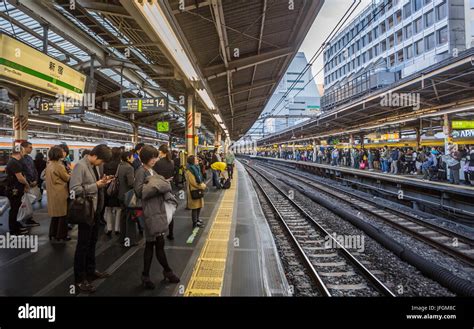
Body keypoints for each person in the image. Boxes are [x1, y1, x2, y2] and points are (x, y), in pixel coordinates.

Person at [134, 145, 179, 289]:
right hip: (149, 212)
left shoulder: (152, 171)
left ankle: (148, 275)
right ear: (145, 158)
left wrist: (162, 184)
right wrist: (159, 185)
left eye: (155, 157)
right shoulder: (141, 171)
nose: (155, 160)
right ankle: (166, 272)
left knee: (155, 244)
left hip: (157, 210)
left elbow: (155, 185)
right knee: (154, 243)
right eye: (152, 157)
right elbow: (139, 191)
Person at [70, 144, 113, 293]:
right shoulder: (80, 166)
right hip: (85, 212)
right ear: (94, 156)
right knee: (82, 246)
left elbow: (95, 184)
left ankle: (90, 271)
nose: (102, 164)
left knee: (92, 243)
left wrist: (103, 182)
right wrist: (95, 185)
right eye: (101, 161)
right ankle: (79, 279)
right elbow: (74, 190)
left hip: (95, 211)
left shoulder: (96, 166)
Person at [45, 146, 71, 242]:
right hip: (60, 192)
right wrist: (70, 173)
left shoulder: (49, 164)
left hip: (52, 192)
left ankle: (52, 233)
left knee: (55, 215)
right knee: (63, 215)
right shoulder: (59, 165)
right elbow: (67, 178)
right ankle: (61, 235)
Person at [153, 144, 176, 240]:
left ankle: (160, 233)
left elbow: (154, 176)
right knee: (169, 209)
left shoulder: (157, 163)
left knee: (159, 210)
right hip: (169, 187)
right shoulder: (171, 162)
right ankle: (171, 233)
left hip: (159, 187)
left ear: (162, 152)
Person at [6, 146, 29, 235]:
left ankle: (16, 225)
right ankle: (13, 230)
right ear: (20, 152)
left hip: (14, 189)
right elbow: (20, 178)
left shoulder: (14, 161)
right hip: (14, 190)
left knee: (15, 209)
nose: (24, 153)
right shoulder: (14, 162)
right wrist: (27, 184)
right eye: (23, 151)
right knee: (14, 210)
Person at [118, 151, 136, 246]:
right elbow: (131, 183)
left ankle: (122, 238)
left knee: (123, 217)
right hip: (127, 196)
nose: (133, 158)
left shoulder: (120, 166)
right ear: (128, 158)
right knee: (130, 218)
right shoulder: (129, 168)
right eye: (132, 157)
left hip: (120, 195)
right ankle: (130, 240)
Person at [20, 141, 39, 226]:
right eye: (30, 147)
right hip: (25, 185)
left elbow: (34, 170)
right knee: (24, 204)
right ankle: (23, 219)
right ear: (23, 148)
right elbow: (22, 172)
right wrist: (28, 182)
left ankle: (29, 218)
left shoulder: (30, 158)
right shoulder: (20, 159)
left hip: (32, 183)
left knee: (30, 202)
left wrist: (35, 180)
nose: (32, 149)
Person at [103, 147, 122, 236]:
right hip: (117, 189)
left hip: (108, 188)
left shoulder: (106, 164)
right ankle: (117, 228)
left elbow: (103, 176)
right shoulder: (120, 164)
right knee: (118, 209)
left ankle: (109, 228)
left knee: (108, 208)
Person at [185, 155, 207, 228]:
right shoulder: (190, 171)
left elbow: (199, 179)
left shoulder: (196, 169)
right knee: (195, 207)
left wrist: (201, 184)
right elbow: (193, 183)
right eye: (196, 160)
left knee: (199, 206)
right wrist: (202, 186)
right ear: (192, 161)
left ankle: (197, 219)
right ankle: (195, 222)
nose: (197, 160)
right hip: (194, 191)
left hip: (198, 190)